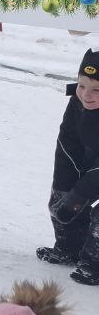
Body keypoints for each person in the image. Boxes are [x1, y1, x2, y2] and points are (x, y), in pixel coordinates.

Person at [39, 48, 99, 285]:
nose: (86, 94)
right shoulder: (78, 103)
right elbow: (67, 145)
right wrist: (65, 191)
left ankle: (94, 264)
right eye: (82, 85)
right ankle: (69, 248)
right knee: (61, 200)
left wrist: (79, 195)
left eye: (97, 89)